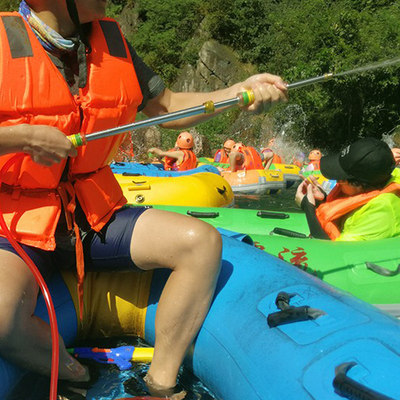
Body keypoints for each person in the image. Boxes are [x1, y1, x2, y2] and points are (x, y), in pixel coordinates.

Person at [0, 0, 288, 397]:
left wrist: (238, 90)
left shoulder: (112, 41)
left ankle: (159, 384)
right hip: (19, 221)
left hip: (92, 214)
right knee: (1, 315)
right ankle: (74, 373)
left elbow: (167, 108)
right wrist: (22, 138)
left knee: (201, 244)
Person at [295, 137, 400, 241]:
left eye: (340, 178)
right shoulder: (379, 176)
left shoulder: (380, 213)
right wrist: (322, 200)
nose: (337, 182)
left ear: (359, 185)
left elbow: (336, 253)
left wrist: (308, 209)